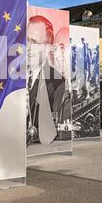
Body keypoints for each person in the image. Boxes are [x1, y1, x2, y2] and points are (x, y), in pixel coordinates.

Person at [27, 15, 71, 147]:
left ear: (47, 48)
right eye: (26, 40)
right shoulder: (10, 75)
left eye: (34, 42)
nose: (28, 47)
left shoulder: (57, 83)